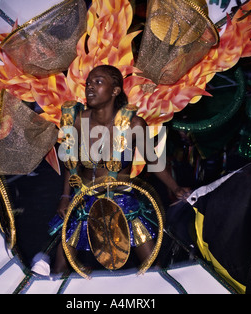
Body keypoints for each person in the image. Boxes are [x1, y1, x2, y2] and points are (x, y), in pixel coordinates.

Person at [49, 65, 191, 274]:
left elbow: (153, 161)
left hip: (123, 202)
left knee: (152, 267)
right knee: (60, 267)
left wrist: (175, 187)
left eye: (98, 82)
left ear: (115, 90)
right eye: (88, 83)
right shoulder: (77, 121)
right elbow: (71, 163)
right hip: (83, 200)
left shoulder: (134, 125)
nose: (90, 87)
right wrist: (65, 195)